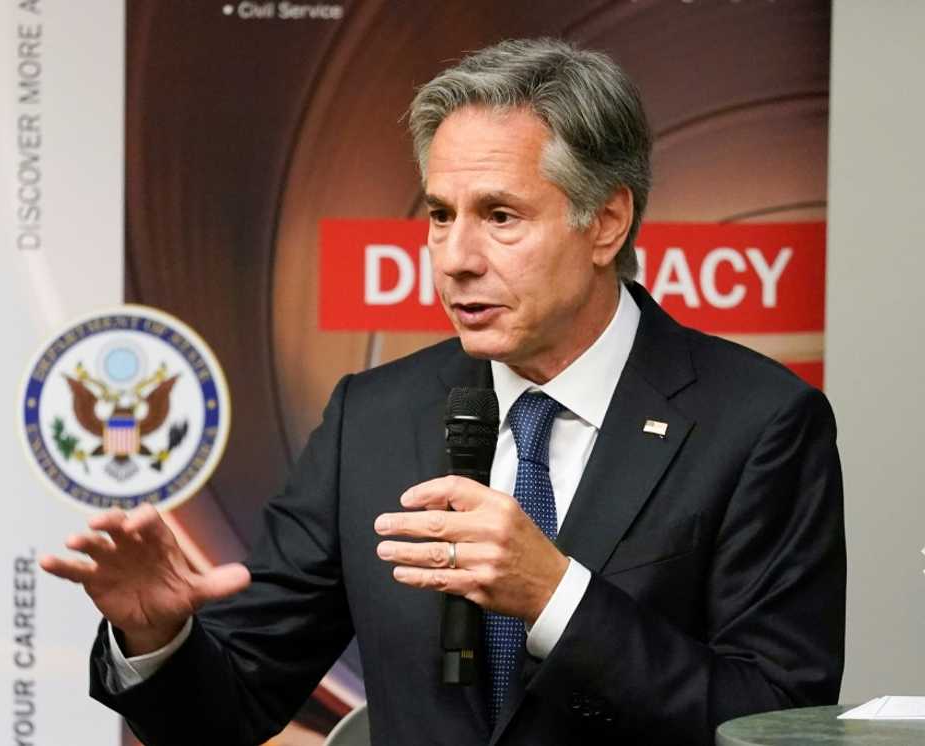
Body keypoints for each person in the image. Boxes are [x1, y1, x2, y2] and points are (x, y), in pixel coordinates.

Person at [41, 38, 845, 745]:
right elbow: (229, 711)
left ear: (605, 223)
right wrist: (158, 638)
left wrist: (557, 597)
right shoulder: (375, 419)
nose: (455, 257)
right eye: (438, 214)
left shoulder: (759, 423)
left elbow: (772, 722)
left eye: (499, 216)